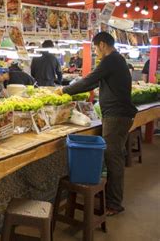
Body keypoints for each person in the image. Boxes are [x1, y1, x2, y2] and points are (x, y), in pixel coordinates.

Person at [56, 32, 137, 216]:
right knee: (113, 156)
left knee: (113, 158)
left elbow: (88, 81)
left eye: (94, 48)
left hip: (117, 116)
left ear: (101, 45)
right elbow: (92, 83)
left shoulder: (111, 60)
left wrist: (64, 90)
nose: (95, 52)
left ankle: (115, 204)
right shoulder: (117, 60)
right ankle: (112, 199)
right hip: (117, 115)